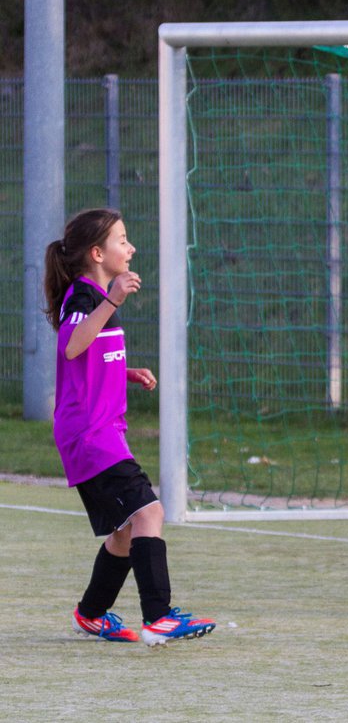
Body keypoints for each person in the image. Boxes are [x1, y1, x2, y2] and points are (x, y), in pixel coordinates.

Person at [43, 208, 216, 644]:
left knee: (123, 531)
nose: (131, 247)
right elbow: (71, 347)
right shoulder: (85, 299)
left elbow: (88, 359)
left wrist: (123, 371)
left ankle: (92, 613)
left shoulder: (93, 300)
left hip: (98, 432)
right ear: (98, 253)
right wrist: (114, 299)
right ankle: (158, 616)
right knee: (149, 512)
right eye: (122, 240)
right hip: (90, 435)